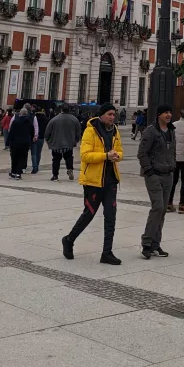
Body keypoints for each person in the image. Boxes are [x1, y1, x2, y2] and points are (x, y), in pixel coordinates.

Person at [62, 102, 123, 265]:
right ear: (101, 115)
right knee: (89, 214)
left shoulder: (115, 130)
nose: (112, 117)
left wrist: (118, 155)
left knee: (111, 216)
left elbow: (119, 150)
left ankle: (107, 252)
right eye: (109, 114)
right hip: (93, 182)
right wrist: (106, 156)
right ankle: (69, 239)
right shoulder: (90, 131)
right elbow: (85, 155)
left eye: (113, 114)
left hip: (111, 181)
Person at [137, 104, 176, 258]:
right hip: (154, 174)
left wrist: (173, 164)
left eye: (170, 112)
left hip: (168, 174)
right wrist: (149, 171)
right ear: (159, 114)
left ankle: (155, 244)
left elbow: (172, 151)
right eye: (166, 112)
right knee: (158, 207)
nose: (169, 115)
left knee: (162, 211)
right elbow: (142, 153)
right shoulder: (151, 131)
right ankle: (146, 243)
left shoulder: (172, 131)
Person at [45, 103, 82, 180]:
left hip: (56, 143)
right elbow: (78, 131)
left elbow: (47, 132)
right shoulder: (74, 119)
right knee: (69, 157)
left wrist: (49, 140)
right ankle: (70, 169)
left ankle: (55, 175)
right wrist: (76, 140)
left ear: (61, 110)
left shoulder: (54, 119)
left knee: (56, 159)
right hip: (69, 143)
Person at [6, 104, 34, 179]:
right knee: (22, 158)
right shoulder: (29, 122)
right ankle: (18, 173)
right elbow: (32, 132)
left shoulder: (16, 122)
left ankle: (13, 171)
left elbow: (11, 133)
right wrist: (30, 141)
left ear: (20, 114)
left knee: (14, 157)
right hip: (25, 143)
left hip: (15, 142)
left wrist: (7, 142)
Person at [31, 107, 48, 174]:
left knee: (33, 153)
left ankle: (35, 167)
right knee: (39, 152)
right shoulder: (46, 119)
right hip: (41, 137)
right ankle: (37, 165)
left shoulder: (34, 118)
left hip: (34, 137)